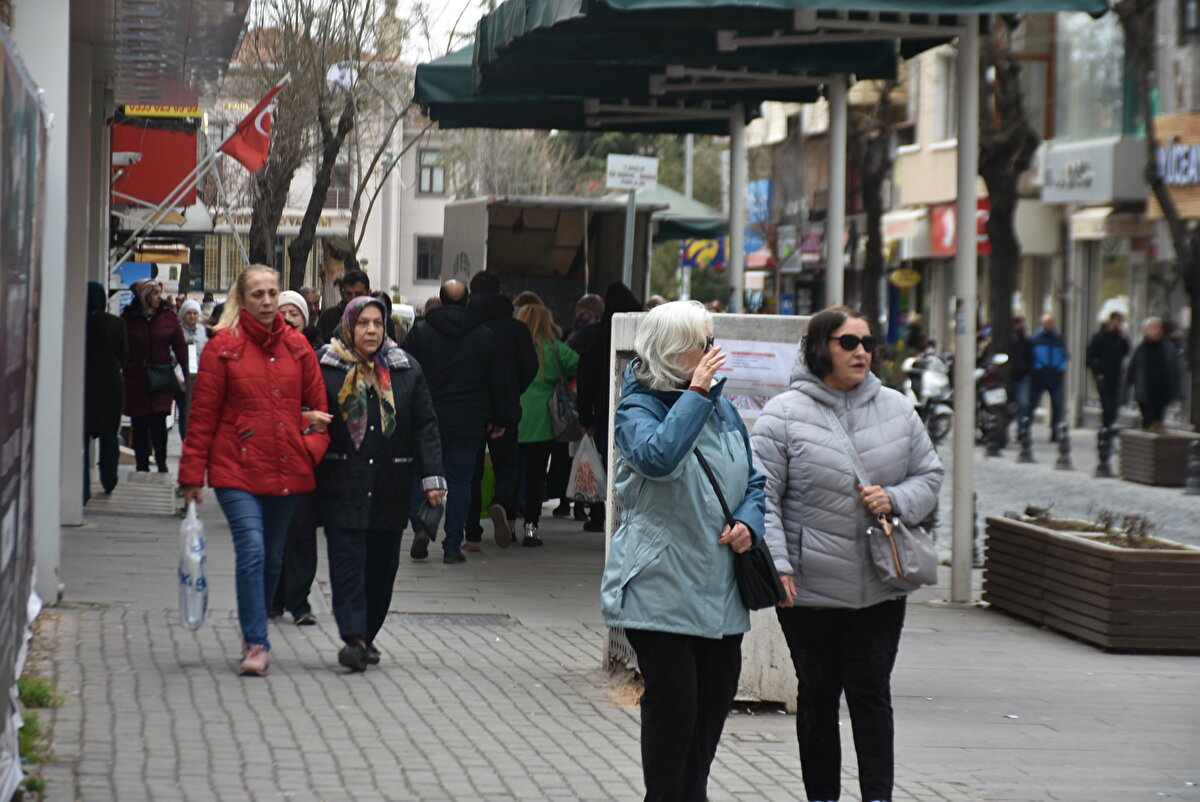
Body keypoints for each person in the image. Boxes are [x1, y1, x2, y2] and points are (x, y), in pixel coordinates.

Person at [750, 306, 944, 802]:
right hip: (809, 589)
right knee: (817, 696)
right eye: (849, 342)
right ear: (820, 348)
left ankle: (877, 796)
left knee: (871, 694)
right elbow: (762, 497)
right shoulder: (782, 415)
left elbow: (929, 476)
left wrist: (895, 498)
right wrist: (779, 565)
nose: (862, 352)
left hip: (880, 586)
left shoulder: (898, 408)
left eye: (868, 342)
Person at [599, 300, 765, 802]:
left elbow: (753, 481)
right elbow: (658, 458)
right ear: (673, 352)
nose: (715, 352)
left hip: (720, 589)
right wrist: (694, 395)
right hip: (660, 586)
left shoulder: (722, 406)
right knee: (676, 711)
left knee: (712, 705)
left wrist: (748, 523)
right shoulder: (638, 408)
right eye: (704, 343)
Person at [179, 265, 331, 677]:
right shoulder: (222, 348)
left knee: (273, 558)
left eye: (272, 293)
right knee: (252, 549)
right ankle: (256, 641)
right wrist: (191, 475)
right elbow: (203, 416)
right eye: (258, 294)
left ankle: (255, 626)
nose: (266, 301)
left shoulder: (298, 347)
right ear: (242, 300)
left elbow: (321, 413)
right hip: (237, 468)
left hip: (286, 469)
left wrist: (308, 450)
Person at [314, 296, 446, 671]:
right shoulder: (326, 366)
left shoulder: (406, 369)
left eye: (377, 323)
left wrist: (432, 479)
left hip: (390, 485)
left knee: (380, 571)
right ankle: (354, 638)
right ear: (348, 326)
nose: (371, 330)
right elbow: (306, 411)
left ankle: (367, 635)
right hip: (343, 483)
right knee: (347, 566)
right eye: (363, 323)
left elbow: (425, 425)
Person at [401, 280, 516, 563]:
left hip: (425, 419)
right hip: (468, 421)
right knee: (461, 482)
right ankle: (452, 546)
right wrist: (500, 417)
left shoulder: (420, 332)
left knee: (418, 477)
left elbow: (404, 374)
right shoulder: (484, 336)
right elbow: (498, 380)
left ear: (440, 301)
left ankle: (421, 527)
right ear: (467, 302)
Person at [465, 271, 538, 550]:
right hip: (505, 408)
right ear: (499, 292)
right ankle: (501, 502)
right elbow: (530, 366)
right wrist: (513, 391)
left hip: (472, 409)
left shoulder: (467, 326)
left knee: (471, 473)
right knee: (507, 465)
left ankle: (471, 531)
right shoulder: (516, 329)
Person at [270, 289, 325, 626]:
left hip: (303, 456)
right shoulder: (262, 352)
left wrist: (312, 447)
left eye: (296, 313)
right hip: (267, 455)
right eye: (284, 312)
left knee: (302, 533)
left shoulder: (318, 354)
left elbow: (323, 406)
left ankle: (300, 601)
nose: (289, 318)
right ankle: (272, 598)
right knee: (272, 532)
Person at [576, 283, 643, 532]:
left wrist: (585, 417)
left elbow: (585, 378)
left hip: (604, 412)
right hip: (640, 411)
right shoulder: (644, 333)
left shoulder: (596, 336)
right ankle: (628, 516)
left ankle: (598, 515)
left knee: (605, 463)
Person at [514, 303, 579, 547]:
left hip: (514, 416)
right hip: (543, 420)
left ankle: (508, 521)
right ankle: (531, 528)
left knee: (511, 474)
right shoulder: (554, 348)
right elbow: (580, 365)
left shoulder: (514, 347)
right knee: (536, 477)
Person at [122, 279, 188, 473]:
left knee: (159, 421)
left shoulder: (168, 318)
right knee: (140, 423)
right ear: (144, 296)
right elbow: (122, 348)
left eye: (160, 293)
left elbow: (181, 348)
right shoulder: (128, 318)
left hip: (161, 377)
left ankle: (161, 463)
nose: (160, 297)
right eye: (155, 294)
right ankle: (142, 464)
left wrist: (189, 375)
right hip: (136, 379)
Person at [84, 282, 128, 502]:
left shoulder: (80, 322)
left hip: (85, 385)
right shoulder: (116, 323)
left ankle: (82, 489)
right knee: (110, 434)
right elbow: (125, 356)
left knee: (82, 438)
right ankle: (109, 480)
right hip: (112, 385)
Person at [1126, 317, 1184, 430]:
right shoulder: (1141, 349)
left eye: (1157, 327)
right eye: (1151, 328)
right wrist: (1128, 386)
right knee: (1147, 419)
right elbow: (1133, 368)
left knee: (1158, 419)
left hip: (1162, 392)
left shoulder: (1168, 348)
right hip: (1145, 392)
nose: (1155, 330)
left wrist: (1177, 390)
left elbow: (1176, 369)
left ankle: (1155, 433)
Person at [316, 269, 397, 342]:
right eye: (349, 294)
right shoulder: (328, 317)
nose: (353, 298)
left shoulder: (383, 319)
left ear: (368, 293)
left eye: (358, 294)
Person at [1086, 311, 1130, 430]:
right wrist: (1097, 373)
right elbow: (1090, 357)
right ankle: (1106, 427)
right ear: (1111, 321)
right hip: (1103, 376)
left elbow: (1126, 351)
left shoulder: (1119, 338)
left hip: (1116, 376)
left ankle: (1109, 427)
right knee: (1107, 404)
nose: (1117, 324)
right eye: (1116, 321)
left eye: (1120, 322)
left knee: (1115, 404)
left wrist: (1123, 339)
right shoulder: (1099, 337)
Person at [1029, 313, 1069, 440]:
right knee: (1033, 403)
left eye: (1051, 322)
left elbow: (1065, 356)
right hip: (1040, 376)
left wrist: (1060, 368)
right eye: (1047, 322)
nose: (1050, 325)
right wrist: (1038, 368)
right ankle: (1025, 430)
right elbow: (1032, 356)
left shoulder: (1058, 340)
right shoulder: (1036, 340)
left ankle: (1055, 431)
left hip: (1055, 376)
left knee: (1057, 404)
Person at [175, 299, 208, 441]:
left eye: (195, 313)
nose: (192, 316)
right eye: (189, 313)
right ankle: (186, 440)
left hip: (201, 380)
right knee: (185, 412)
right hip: (183, 381)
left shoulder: (204, 331)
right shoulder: (177, 331)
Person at [1009, 315, 1034, 429]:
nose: (1019, 326)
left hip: (1022, 378)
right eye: (1017, 323)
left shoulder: (1027, 341)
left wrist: (1029, 373)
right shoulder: (1007, 340)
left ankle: (1022, 429)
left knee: (1023, 403)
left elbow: (1031, 358)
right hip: (1007, 378)